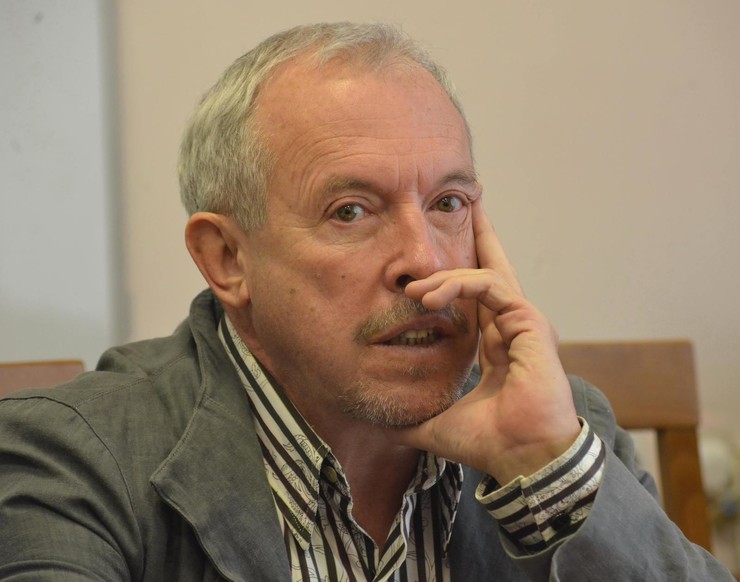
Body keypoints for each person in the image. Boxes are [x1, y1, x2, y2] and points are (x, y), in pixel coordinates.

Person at [0, 22, 732, 581]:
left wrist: (545, 464)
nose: (426, 261)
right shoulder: (75, 459)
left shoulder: (559, 430)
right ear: (227, 259)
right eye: (350, 211)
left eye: (448, 203)